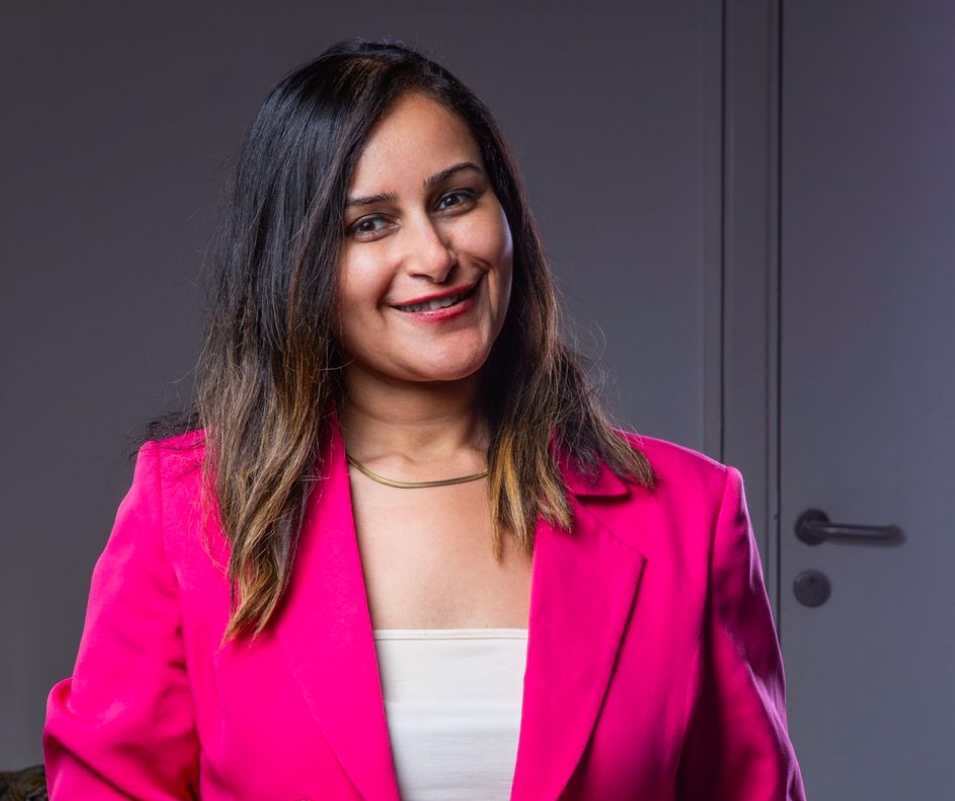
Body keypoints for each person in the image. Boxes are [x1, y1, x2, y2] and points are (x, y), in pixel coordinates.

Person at [43, 39, 807, 801]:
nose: (434, 256)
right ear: (294, 265)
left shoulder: (691, 513)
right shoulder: (186, 508)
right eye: (369, 223)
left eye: (454, 198)